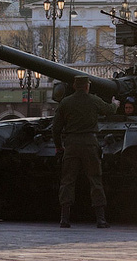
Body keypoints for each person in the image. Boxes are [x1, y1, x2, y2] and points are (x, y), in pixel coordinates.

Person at [52, 75, 117, 228]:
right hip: (89, 143)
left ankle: (64, 218)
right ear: (87, 86)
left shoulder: (66, 102)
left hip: (71, 144)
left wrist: (58, 146)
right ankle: (100, 219)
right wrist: (115, 104)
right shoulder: (93, 100)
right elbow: (109, 110)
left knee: (67, 180)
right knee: (95, 179)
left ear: (74, 86)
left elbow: (56, 128)